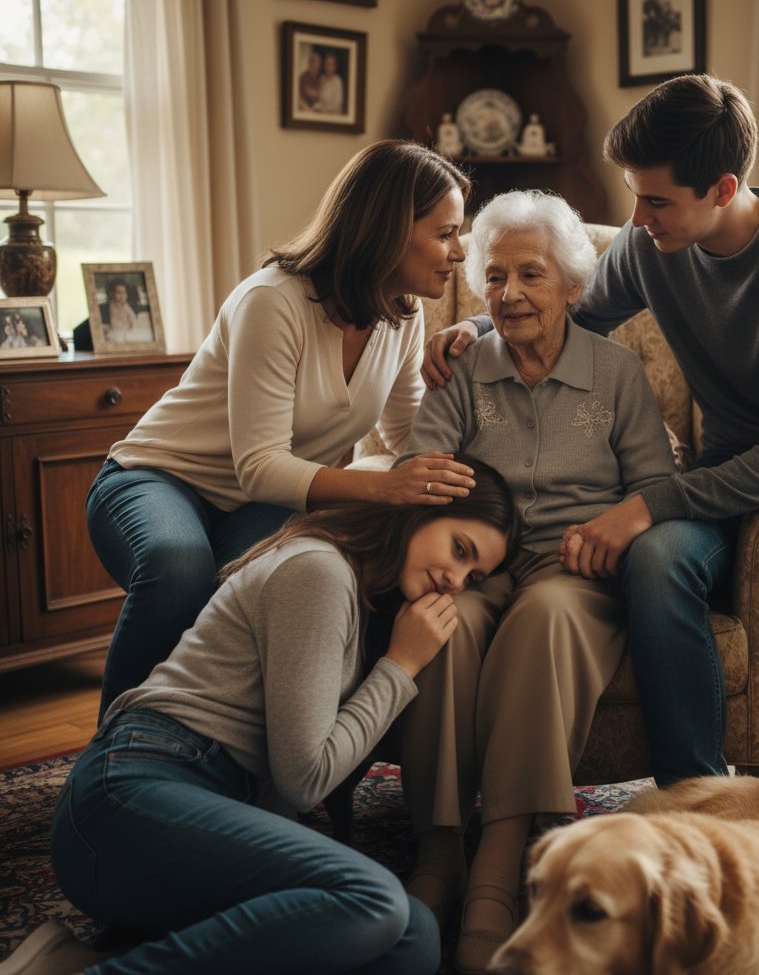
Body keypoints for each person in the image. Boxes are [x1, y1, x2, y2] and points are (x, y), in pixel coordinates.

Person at [422, 75, 759, 941]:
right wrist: (479, 329)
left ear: (723, 191)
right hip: (729, 466)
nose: (638, 218)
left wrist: (649, 500)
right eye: (635, 199)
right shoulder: (653, 245)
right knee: (656, 562)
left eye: (655, 201)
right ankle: (696, 807)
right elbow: (565, 309)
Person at [0, 459, 522, 975]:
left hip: (216, 802)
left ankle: (93, 962)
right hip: (129, 797)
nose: (455, 581)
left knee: (414, 945)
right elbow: (304, 780)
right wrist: (401, 667)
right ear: (416, 511)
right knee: (376, 902)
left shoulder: (362, 597)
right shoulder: (320, 570)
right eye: (459, 550)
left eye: (472, 577)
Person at [87, 140, 473, 718]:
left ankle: (226, 759)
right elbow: (260, 465)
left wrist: (469, 350)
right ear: (389, 229)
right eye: (445, 233)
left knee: (274, 590)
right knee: (180, 565)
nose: (459, 252)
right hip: (157, 478)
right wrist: (382, 486)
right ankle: (116, 756)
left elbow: (408, 436)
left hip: (258, 506)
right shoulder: (274, 302)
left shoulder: (403, 315)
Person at [397, 189, 676, 975]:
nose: (510, 293)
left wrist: (613, 529)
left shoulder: (618, 374)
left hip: (576, 567)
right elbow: (424, 474)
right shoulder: (458, 366)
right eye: (494, 277)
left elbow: (653, 487)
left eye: (531, 274)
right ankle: (438, 846)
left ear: (573, 285)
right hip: (478, 561)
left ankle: (499, 855)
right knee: (440, 619)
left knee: (543, 619)